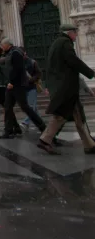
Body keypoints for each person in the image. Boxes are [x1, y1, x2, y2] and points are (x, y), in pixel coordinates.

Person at [39, 24, 95, 155]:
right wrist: (91, 73)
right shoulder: (65, 43)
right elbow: (74, 61)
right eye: (75, 32)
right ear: (70, 32)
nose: (76, 35)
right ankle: (45, 140)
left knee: (78, 115)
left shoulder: (56, 43)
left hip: (63, 86)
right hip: (66, 87)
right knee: (61, 115)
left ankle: (89, 144)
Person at [0, 38, 46, 140]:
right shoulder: (9, 53)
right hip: (12, 85)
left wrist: (12, 82)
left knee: (25, 107)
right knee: (8, 107)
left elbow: (17, 69)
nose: (2, 47)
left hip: (17, 85)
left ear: (7, 45)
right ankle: (8, 131)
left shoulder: (15, 53)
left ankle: (43, 127)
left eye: (3, 45)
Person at [21, 49, 43, 129]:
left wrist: (31, 80)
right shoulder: (19, 63)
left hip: (32, 87)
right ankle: (40, 122)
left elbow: (39, 73)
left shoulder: (33, 62)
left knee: (31, 106)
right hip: (23, 88)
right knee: (33, 106)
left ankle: (26, 121)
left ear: (25, 53)